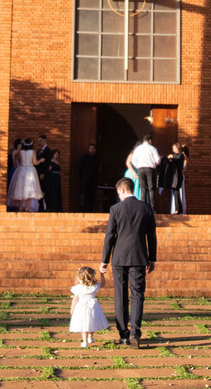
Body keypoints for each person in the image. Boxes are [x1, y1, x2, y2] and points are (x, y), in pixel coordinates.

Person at [100, 177, 157, 348]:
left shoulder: (116, 209)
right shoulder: (146, 208)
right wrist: (152, 258)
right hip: (139, 256)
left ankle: (123, 334)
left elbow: (110, 236)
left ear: (123, 190)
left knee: (120, 294)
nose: (119, 196)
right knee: (137, 294)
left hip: (119, 257)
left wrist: (105, 260)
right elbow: (151, 236)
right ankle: (135, 333)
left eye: (118, 193)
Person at [69, 265, 108, 348]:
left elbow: (75, 299)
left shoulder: (78, 288)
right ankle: (91, 337)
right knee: (92, 322)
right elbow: (103, 284)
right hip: (92, 306)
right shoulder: (93, 286)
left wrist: (72, 308)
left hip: (81, 306)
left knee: (84, 325)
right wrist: (102, 274)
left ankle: (85, 341)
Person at [7, 138, 44, 212]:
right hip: (30, 170)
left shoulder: (21, 152)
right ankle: (27, 207)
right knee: (29, 189)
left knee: (21, 188)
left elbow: (14, 155)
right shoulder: (32, 151)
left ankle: (20, 207)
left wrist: (19, 149)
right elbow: (35, 162)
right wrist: (41, 160)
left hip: (21, 170)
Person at [129, 134, 161, 210]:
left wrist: (138, 166)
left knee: (143, 189)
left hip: (141, 169)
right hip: (150, 169)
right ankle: (152, 208)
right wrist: (154, 164)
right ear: (150, 141)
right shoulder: (153, 148)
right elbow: (158, 160)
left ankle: (143, 207)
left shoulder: (138, 149)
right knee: (151, 188)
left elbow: (133, 160)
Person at [160, 143, 188, 215]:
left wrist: (172, 157)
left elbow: (177, 159)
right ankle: (178, 209)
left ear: (178, 148)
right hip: (175, 177)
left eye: (174, 148)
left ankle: (177, 209)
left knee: (176, 192)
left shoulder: (180, 155)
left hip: (177, 177)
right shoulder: (175, 155)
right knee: (175, 192)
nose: (173, 150)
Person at [79, 142, 100, 212]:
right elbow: (80, 169)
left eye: (93, 148)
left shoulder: (97, 158)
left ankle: (90, 210)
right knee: (84, 196)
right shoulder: (84, 158)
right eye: (91, 148)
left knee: (92, 197)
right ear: (88, 149)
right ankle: (83, 210)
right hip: (85, 180)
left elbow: (98, 170)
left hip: (93, 181)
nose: (92, 150)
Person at [36, 134, 53, 210]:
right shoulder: (38, 151)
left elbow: (48, 164)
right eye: (38, 141)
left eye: (40, 141)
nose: (39, 143)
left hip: (45, 175)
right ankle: (41, 207)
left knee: (46, 191)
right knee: (40, 191)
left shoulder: (48, 151)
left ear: (44, 140)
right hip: (38, 173)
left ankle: (48, 207)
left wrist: (43, 173)